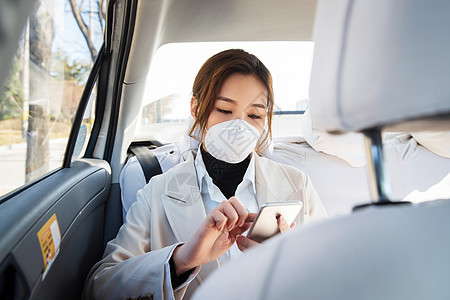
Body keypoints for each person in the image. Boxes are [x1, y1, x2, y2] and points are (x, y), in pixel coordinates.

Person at [83, 49, 327, 300]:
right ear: (196, 107)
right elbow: (99, 289)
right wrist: (181, 260)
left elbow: (336, 273)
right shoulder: (156, 191)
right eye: (224, 109)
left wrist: (290, 267)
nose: (239, 126)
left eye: (254, 115)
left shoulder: (297, 184)